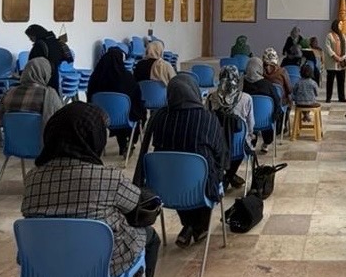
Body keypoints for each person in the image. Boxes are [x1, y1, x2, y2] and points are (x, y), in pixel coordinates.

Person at [21, 102, 159, 277]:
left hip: (46, 267)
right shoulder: (108, 178)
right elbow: (136, 204)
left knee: (62, 241)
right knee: (149, 238)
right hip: (101, 268)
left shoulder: (33, 179)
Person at [134, 75, 226, 247]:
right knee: (207, 172)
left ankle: (189, 225)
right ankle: (197, 227)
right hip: (201, 188)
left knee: (175, 171)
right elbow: (220, 153)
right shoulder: (207, 118)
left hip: (165, 188)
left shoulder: (159, 118)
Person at [87, 47, 146, 157]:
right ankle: (130, 142)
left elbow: (89, 98)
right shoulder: (127, 77)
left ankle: (122, 144)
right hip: (124, 117)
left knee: (118, 110)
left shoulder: (95, 78)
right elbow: (136, 96)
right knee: (134, 111)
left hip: (101, 118)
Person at [206, 66, 254, 190]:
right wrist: (250, 134)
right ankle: (229, 176)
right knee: (245, 142)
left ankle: (226, 176)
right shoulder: (246, 98)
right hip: (239, 146)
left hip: (216, 145)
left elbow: (207, 122)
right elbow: (251, 125)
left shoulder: (211, 98)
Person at [0, 57, 63, 130]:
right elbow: (62, 120)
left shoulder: (8, 93)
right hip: (40, 137)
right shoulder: (50, 95)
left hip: (13, 137)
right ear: (45, 74)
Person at [242, 57, 282, 155]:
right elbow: (277, 100)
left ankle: (251, 144)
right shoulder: (268, 85)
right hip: (266, 121)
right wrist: (275, 115)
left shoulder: (241, 84)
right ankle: (266, 143)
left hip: (247, 121)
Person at [26, 24, 73, 90]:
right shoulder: (56, 41)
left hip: (42, 75)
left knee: (43, 93)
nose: (30, 39)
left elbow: (33, 62)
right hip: (55, 72)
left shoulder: (40, 44)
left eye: (31, 37)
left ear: (35, 35)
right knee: (53, 92)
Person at [324, 20, 346, 103]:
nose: (341, 26)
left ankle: (341, 97)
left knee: (341, 81)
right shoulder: (329, 36)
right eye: (340, 24)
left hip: (342, 62)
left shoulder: (343, 36)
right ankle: (328, 97)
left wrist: (343, 56)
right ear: (335, 25)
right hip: (332, 63)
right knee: (330, 81)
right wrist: (335, 56)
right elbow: (327, 48)